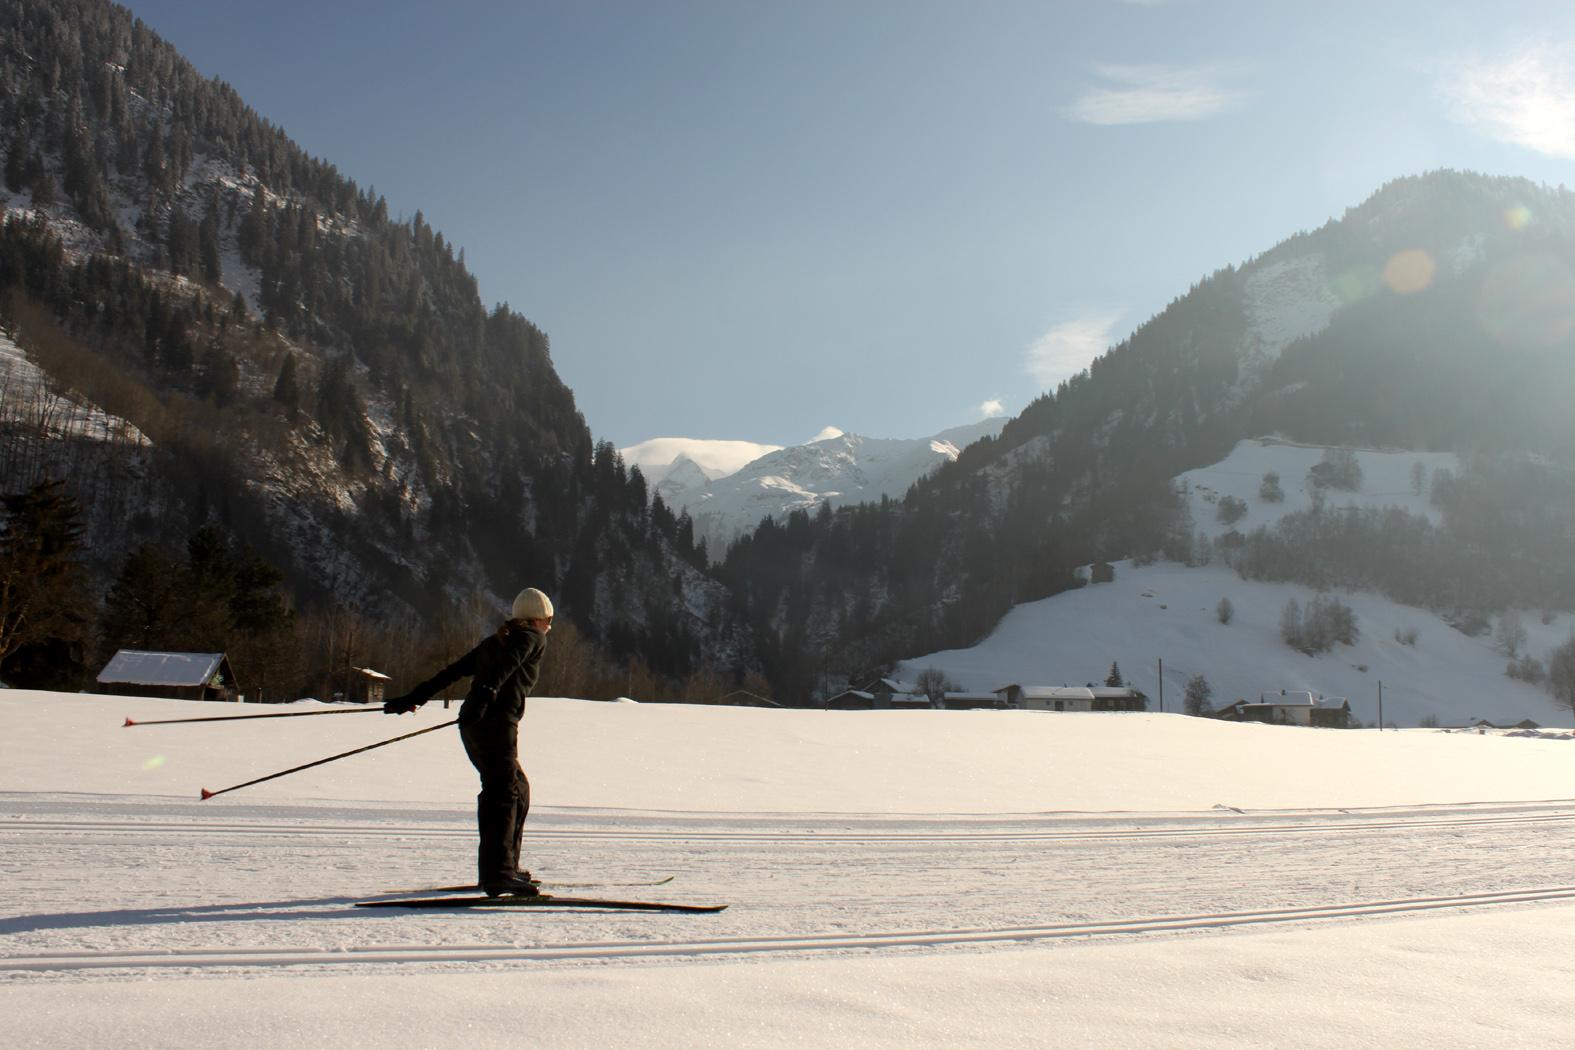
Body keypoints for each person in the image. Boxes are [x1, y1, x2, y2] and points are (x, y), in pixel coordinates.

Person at [383, 587, 553, 897]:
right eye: (549, 620)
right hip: (494, 723)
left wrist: (414, 697)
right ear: (537, 619)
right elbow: (507, 666)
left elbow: (453, 671)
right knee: (503, 791)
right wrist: (487, 694)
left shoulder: (497, 640)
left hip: (474, 723)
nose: (549, 627)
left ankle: (506, 867)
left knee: (516, 787)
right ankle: (498, 874)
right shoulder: (531, 637)